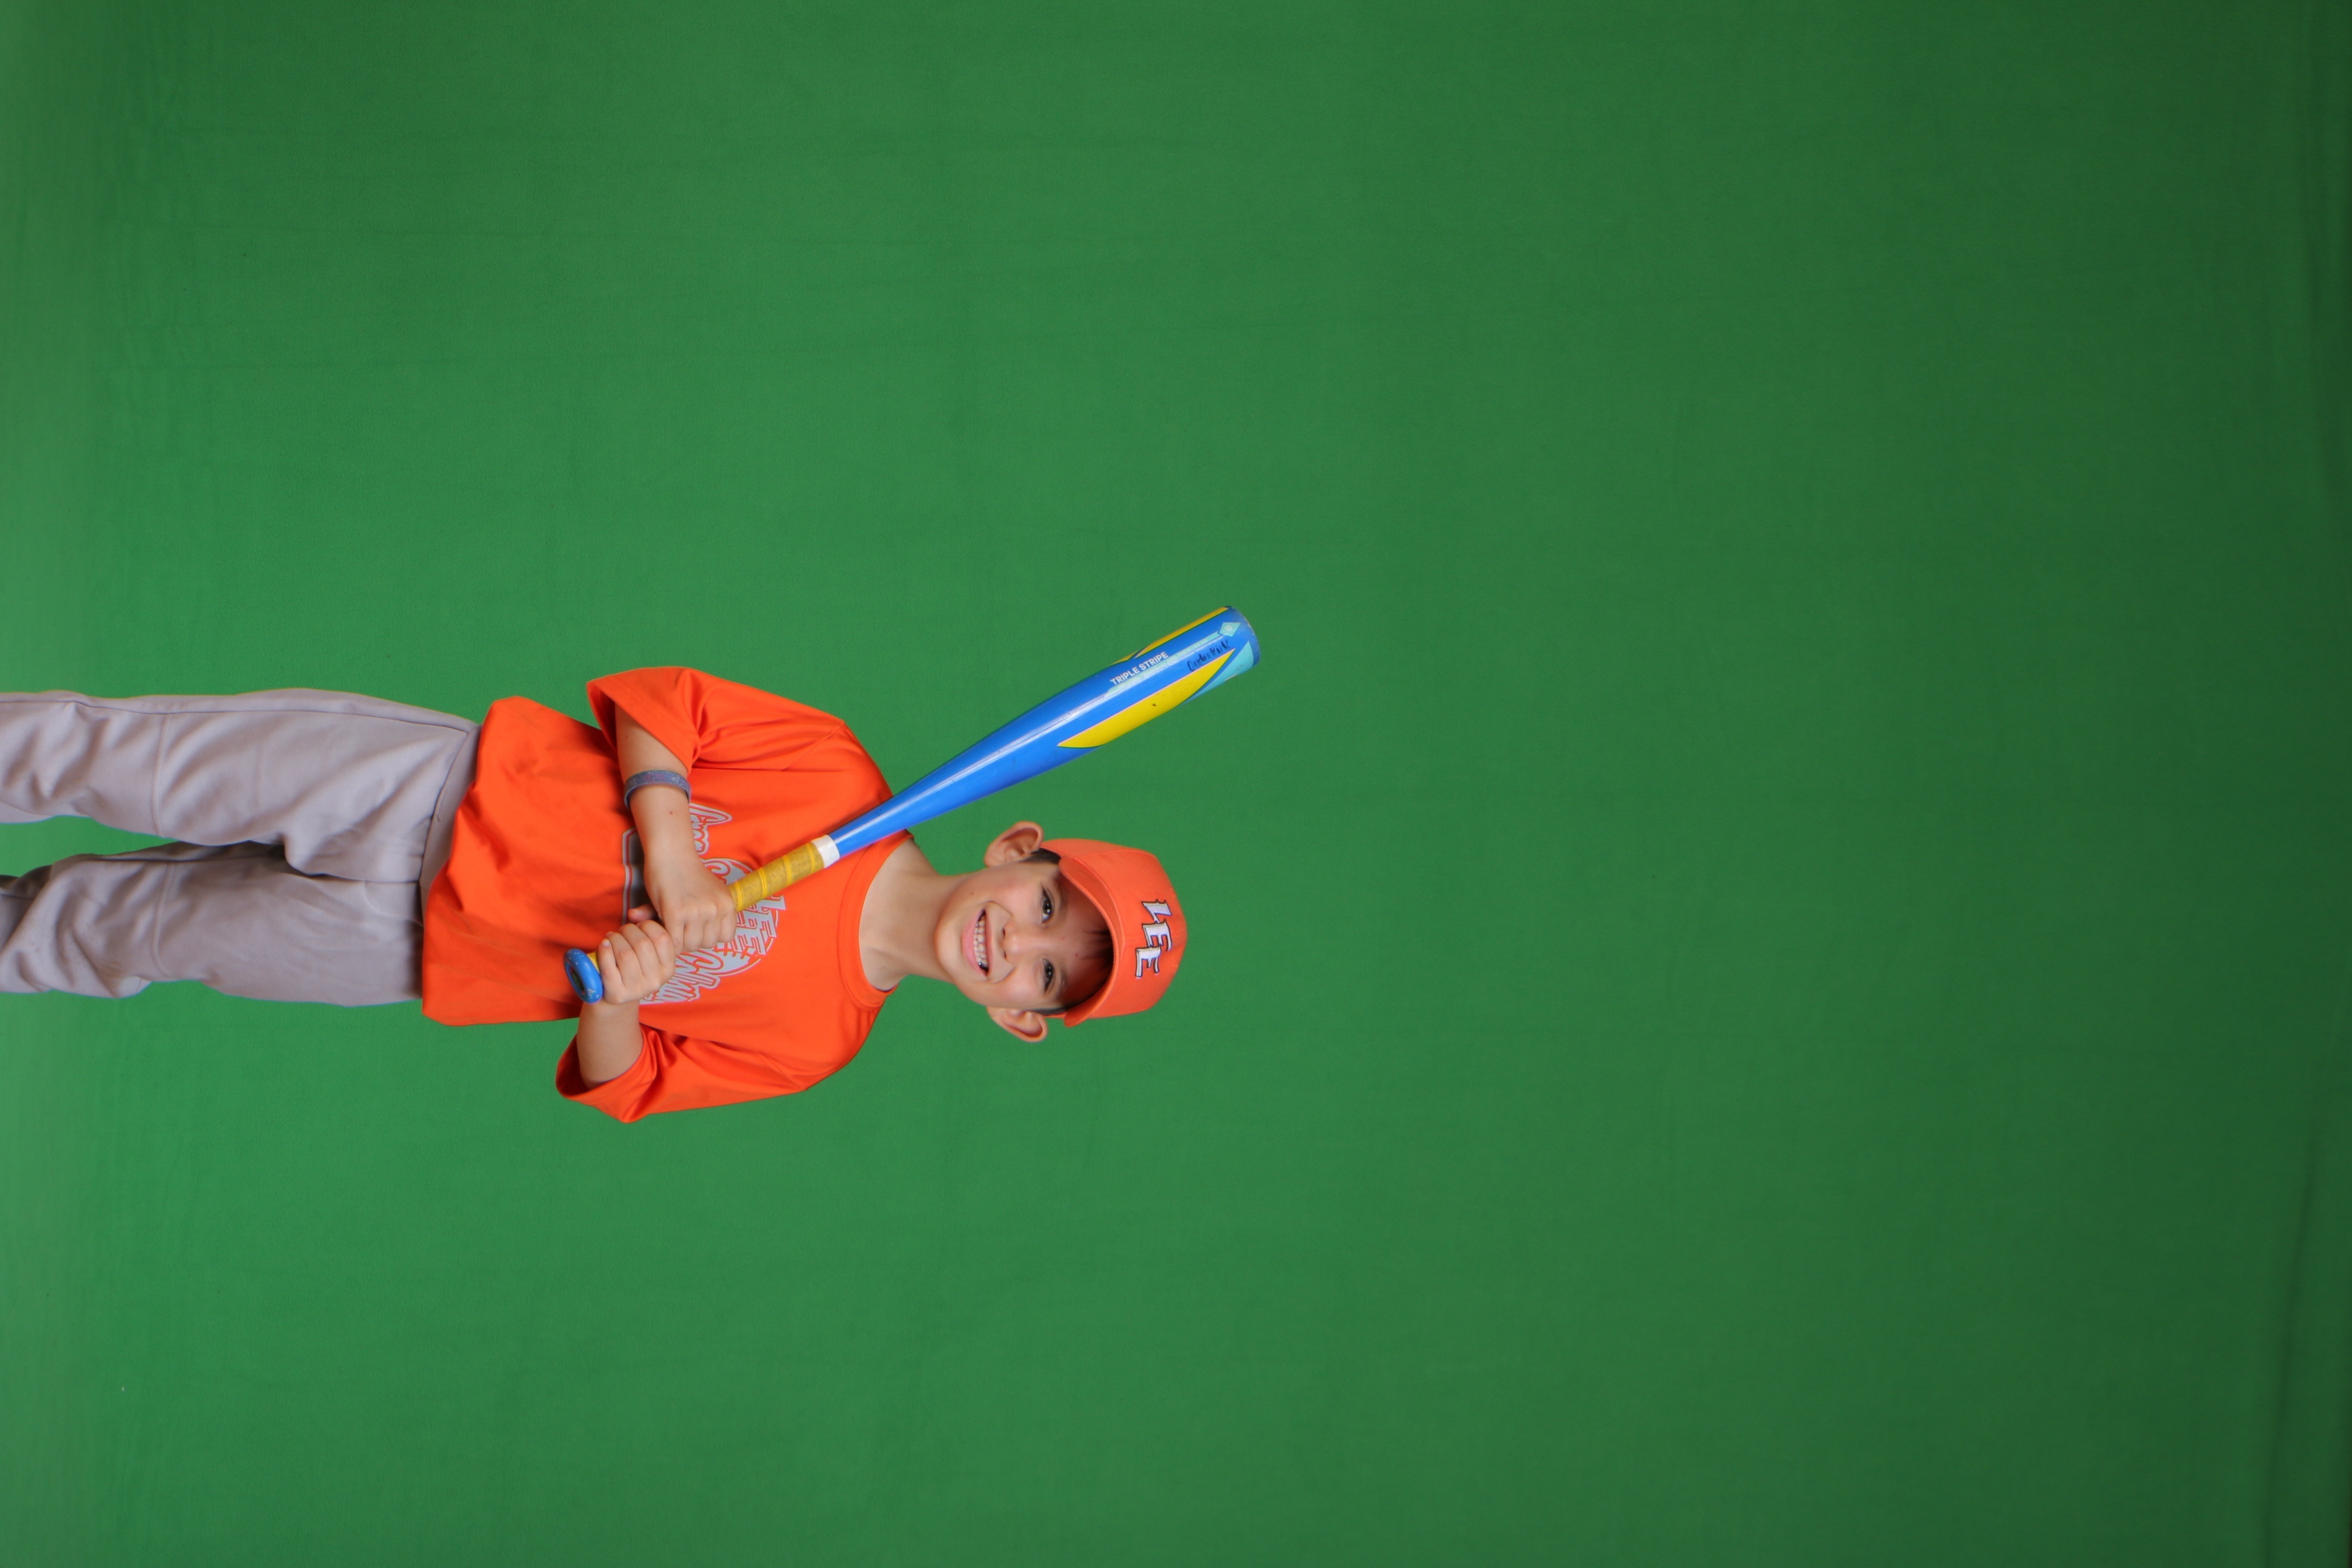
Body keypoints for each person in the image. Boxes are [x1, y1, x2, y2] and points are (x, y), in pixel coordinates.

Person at [0, 671, 1188, 1121]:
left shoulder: (815, 1042)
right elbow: (662, 707)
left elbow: (625, 1079)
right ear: (1018, 846)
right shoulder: (837, 773)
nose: (1017, 944)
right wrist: (673, 855)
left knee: (109, 938)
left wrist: (622, 993)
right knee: (114, 759)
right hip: (434, 789)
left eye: (1046, 976)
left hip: (413, 951)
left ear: (1019, 1016)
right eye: (1047, 908)